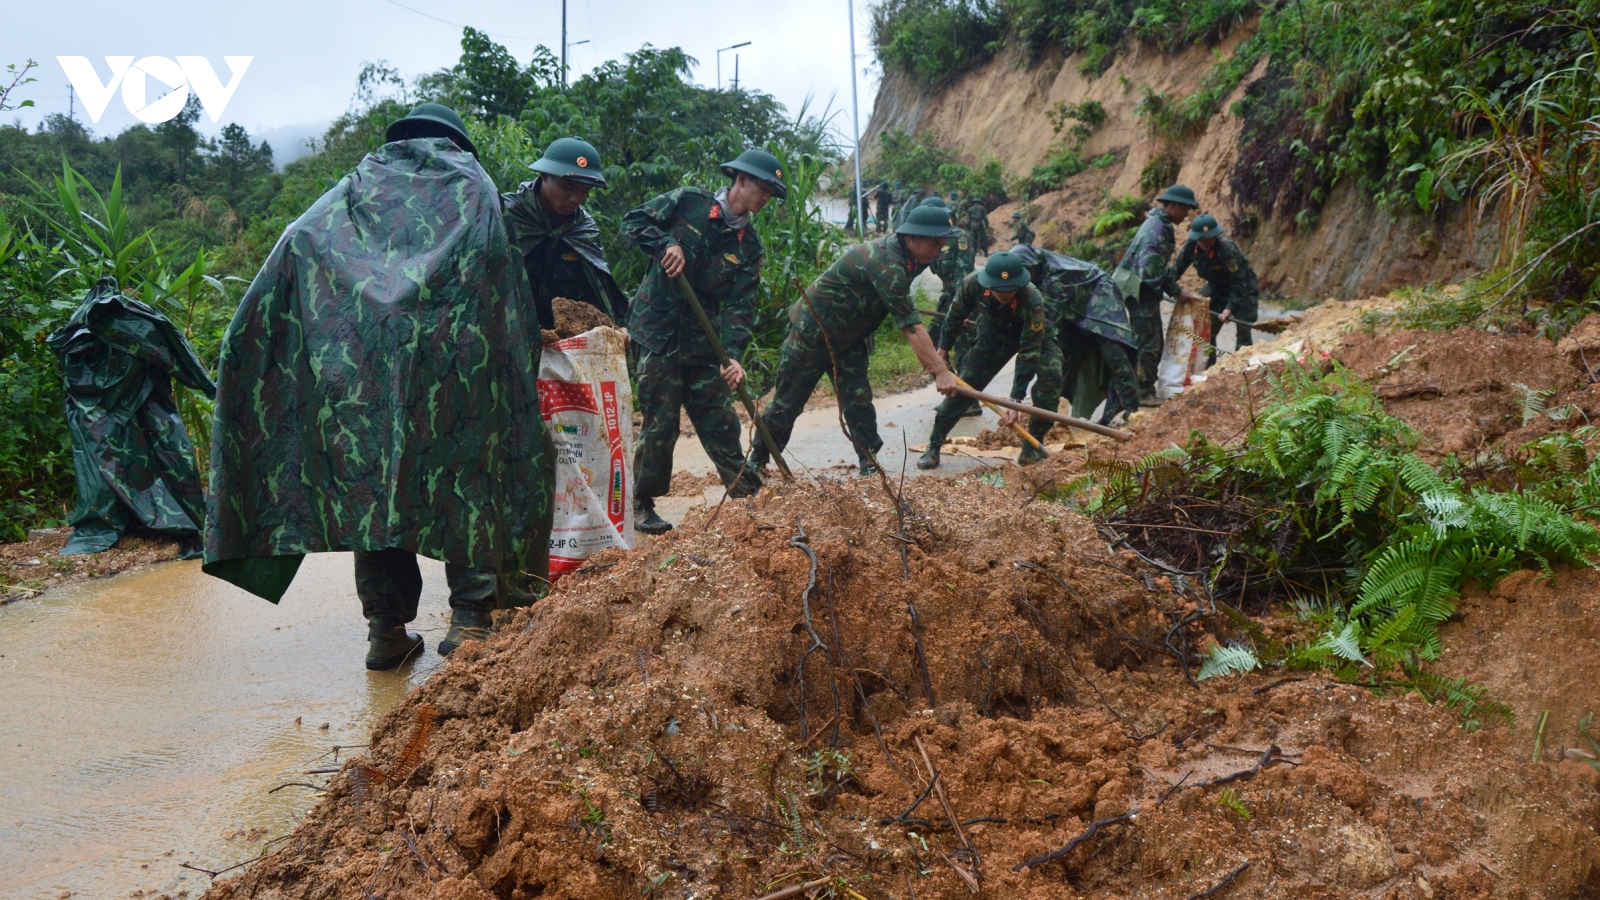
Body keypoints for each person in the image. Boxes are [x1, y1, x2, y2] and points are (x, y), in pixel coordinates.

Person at [204, 103, 552, 670]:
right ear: (456, 141)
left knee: (380, 493)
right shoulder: (474, 185)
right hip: (456, 375)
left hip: (363, 381)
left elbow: (298, 238)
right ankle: (469, 621)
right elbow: (503, 286)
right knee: (468, 481)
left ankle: (386, 632)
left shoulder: (357, 184)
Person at [621, 149, 784, 535]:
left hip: (703, 343)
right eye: (762, 188)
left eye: (771, 193)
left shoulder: (749, 247)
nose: (765, 197)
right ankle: (641, 503)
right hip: (658, 332)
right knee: (661, 425)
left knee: (721, 421)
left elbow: (740, 308)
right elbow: (631, 223)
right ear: (740, 180)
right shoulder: (688, 203)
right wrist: (665, 244)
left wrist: (732, 356)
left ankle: (747, 499)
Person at [749, 205, 960, 476]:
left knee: (858, 401)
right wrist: (940, 370)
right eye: (935, 244)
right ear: (912, 237)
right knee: (788, 402)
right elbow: (911, 327)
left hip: (848, 339)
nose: (937, 251)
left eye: (941, 245)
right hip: (812, 334)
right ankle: (757, 460)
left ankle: (869, 462)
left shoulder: (914, 259)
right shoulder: (886, 262)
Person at [48, 276, 216, 558]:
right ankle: (161, 518)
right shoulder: (136, 331)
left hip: (131, 411)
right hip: (137, 410)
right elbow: (180, 362)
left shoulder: (83, 340)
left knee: (143, 457)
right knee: (158, 456)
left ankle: (150, 518)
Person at [917, 252, 1061, 469]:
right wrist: (942, 352)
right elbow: (954, 317)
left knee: (1051, 376)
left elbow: (1029, 352)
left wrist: (1015, 400)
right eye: (998, 289)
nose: (1005, 294)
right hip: (994, 331)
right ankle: (934, 445)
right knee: (966, 385)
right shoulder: (971, 285)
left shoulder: (1032, 299)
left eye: (1010, 290)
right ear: (988, 285)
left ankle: (1032, 448)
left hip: (1035, 334)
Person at [502, 137, 628, 329]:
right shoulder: (506, 215)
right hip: (509, 332)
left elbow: (596, 294)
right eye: (567, 187)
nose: (575, 199)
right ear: (544, 176)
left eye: (585, 191)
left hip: (562, 342)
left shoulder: (583, 228)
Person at [1014, 246, 1141, 428]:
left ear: (1031, 268)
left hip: (1100, 293)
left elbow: (1048, 321)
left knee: (1113, 351)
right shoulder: (1032, 279)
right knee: (1063, 353)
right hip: (1072, 304)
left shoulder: (1051, 278)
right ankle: (1058, 409)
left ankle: (1132, 407)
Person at [1113, 184, 1200, 405]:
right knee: (1150, 343)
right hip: (1140, 290)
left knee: (1148, 340)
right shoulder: (1158, 229)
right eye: (1185, 209)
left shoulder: (1157, 224)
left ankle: (1138, 389)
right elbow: (1150, 269)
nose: (1186, 215)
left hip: (1139, 288)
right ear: (1173, 205)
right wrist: (1176, 290)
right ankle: (1142, 392)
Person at [1168, 213, 1259, 366]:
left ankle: (1243, 370)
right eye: (1203, 240)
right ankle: (1208, 369)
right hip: (1217, 286)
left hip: (1243, 288)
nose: (1207, 242)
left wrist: (1229, 309)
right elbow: (1176, 270)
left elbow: (1238, 284)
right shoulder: (1190, 247)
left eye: (1211, 238)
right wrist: (1171, 288)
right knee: (1205, 327)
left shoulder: (1227, 250)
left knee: (1243, 331)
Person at [923, 197, 979, 374]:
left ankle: (968, 401)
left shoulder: (959, 238)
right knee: (932, 340)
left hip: (964, 298)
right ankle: (951, 389)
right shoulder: (930, 240)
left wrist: (961, 310)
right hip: (947, 297)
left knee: (963, 351)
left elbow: (963, 276)